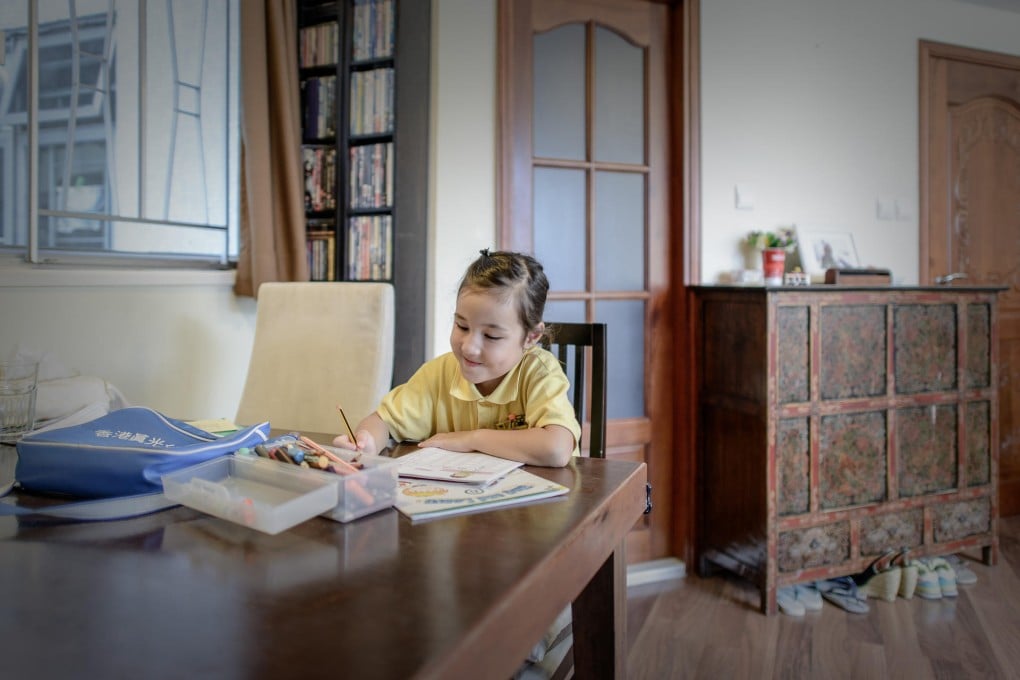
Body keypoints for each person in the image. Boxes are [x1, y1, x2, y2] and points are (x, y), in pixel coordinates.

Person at [332, 249, 581, 467]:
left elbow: (556, 448)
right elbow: (382, 422)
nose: (470, 348)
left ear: (531, 337)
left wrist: (471, 438)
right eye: (462, 326)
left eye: (492, 336)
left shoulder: (539, 372)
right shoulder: (438, 373)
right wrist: (365, 442)